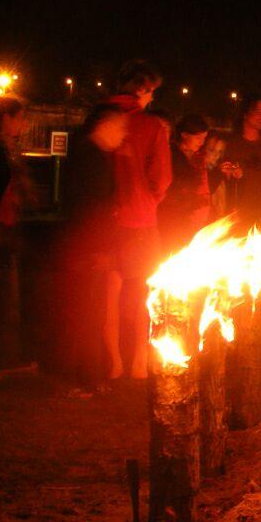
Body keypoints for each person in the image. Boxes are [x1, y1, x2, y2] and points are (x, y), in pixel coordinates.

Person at [106, 59, 172, 379]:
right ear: (142, 90)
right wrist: (148, 199)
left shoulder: (101, 120)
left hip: (107, 220)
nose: (152, 100)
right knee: (143, 292)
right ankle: (138, 362)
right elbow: (162, 178)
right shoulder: (151, 126)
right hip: (142, 221)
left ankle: (111, 360)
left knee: (110, 293)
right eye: (151, 93)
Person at [60, 104, 128, 393]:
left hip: (92, 245)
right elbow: (87, 207)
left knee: (93, 311)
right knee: (87, 312)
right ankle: (89, 380)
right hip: (87, 246)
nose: (124, 134)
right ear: (105, 125)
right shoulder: (88, 158)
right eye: (121, 127)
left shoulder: (96, 156)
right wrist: (97, 249)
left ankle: (94, 376)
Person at [0, 97, 31, 372]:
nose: (22, 124)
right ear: (5, 118)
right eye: (19, 118)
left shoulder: (9, 149)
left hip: (7, 229)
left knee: (8, 299)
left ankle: (6, 358)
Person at [227, 95, 261, 228]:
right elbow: (224, 182)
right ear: (246, 114)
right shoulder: (232, 145)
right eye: (258, 112)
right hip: (236, 216)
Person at [158, 114, 212, 251]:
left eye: (204, 138)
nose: (201, 142)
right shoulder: (172, 155)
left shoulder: (198, 158)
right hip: (174, 219)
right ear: (184, 135)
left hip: (194, 218)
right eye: (198, 137)